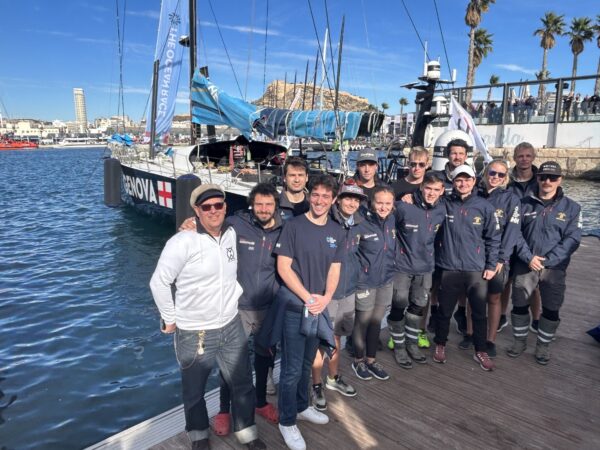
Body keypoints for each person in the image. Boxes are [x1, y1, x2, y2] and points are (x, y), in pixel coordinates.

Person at [149, 184, 265, 450]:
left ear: (226, 207)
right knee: (194, 391)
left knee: (243, 383)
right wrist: (169, 318)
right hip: (195, 331)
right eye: (206, 207)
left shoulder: (232, 232)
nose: (213, 211)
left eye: (218, 205)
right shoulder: (182, 241)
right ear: (196, 211)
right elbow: (159, 282)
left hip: (231, 323)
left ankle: (246, 431)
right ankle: (199, 435)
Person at [272, 174, 345, 450]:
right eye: (315, 194)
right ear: (308, 194)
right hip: (295, 305)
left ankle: (302, 406)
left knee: (306, 363)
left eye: (326, 196)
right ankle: (287, 420)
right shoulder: (293, 226)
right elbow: (283, 267)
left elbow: (334, 269)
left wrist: (325, 298)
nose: (319, 200)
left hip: (318, 307)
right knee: (291, 369)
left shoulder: (337, 231)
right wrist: (308, 298)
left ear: (333, 200)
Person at [211, 183, 283, 434]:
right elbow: (209, 225)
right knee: (231, 362)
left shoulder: (285, 229)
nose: (264, 209)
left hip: (267, 307)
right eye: (259, 204)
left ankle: (260, 402)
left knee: (264, 358)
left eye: (269, 204)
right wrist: (190, 223)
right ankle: (223, 409)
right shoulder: (236, 223)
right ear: (252, 205)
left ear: (276, 205)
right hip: (237, 307)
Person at [507, 161, 582, 364]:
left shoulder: (573, 208)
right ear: (537, 178)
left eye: (553, 178)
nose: (547, 181)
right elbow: (514, 233)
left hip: (554, 268)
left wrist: (549, 260)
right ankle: (519, 341)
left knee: (551, 308)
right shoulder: (522, 204)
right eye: (543, 177)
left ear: (560, 180)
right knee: (519, 304)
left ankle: (543, 346)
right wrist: (528, 257)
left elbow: (573, 239)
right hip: (525, 264)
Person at [432, 165, 500, 371]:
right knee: (444, 311)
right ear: (453, 182)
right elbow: (425, 199)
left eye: (467, 179)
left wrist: (490, 265)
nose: (463, 183)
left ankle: (480, 350)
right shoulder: (444, 203)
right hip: (449, 266)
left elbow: (493, 238)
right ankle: (440, 344)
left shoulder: (484, 206)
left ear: (474, 181)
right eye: (459, 180)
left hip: (476, 269)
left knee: (479, 312)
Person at [310, 181, 365, 411]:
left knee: (337, 337)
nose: (351, 203)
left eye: (356, 199)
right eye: (347, 198)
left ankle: (333, 378)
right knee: (319, 340)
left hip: (348, 290)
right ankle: (316, 384)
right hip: (326, 293)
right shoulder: (327, 222)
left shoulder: (360, 223)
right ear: (338, 200)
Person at [459, 161, 521, 358]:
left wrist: (501, 259)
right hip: (474, 255)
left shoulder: (511, 199)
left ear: (506, 178)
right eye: (492, 173)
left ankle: (490, 339)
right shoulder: (473, 193)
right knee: (473, 296)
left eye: (500, 175)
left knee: (494, 298)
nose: (495, 177)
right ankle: (470, 333)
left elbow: (512, 232)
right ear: (485, 173)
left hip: (498, 257)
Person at [388, 174, 446, 369]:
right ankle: (399, 346)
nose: (431, 193)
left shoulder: (442, 209)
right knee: (398, 305)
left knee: (417, 307)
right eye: (428, 188)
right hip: (402, 267)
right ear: (421, 187)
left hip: (426, 268)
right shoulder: (404, 206)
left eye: (436, 189)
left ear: (442, 191)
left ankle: (412, 344)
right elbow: (386, 226)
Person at [351, 185, 397, 381]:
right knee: (362, 322)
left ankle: (371, 360)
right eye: (379, 202)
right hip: (365, 282)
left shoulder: (393, 219)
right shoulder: (360, 222)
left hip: (386, 280)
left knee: (376, 323)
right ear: (371, 202)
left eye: (388, 203)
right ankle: (358, 360)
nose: (383, 207)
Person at [503, 142, 541, 332]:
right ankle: (501, 316)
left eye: (527, 155)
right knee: (505, 282)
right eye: (520, 156)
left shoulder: (541, 181)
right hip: (509, 237)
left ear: (533, 157)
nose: (524, 159)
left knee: (532, 284)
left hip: (531, 237)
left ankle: (536, 318)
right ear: (514, 158)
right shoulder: (507, 181)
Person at [279, 156, 310, 221]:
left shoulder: (313, 203)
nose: (297, 180)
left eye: (300, 175)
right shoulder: (275, 204)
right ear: (284, 178)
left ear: (307, 177)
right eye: (292, 175)